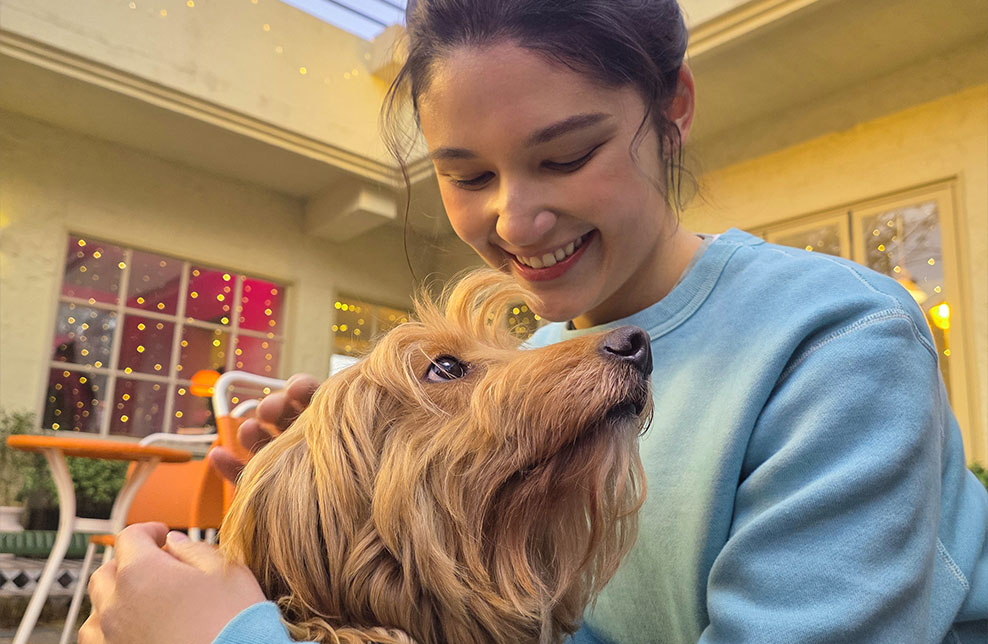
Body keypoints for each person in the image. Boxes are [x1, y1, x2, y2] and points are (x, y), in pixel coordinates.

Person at [80, 1, 988, 643]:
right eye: (468, 176)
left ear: (672, 107)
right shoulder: (545, 359)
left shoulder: (835, 340)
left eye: (566, 154)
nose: (514, 221)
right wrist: (334, 494)